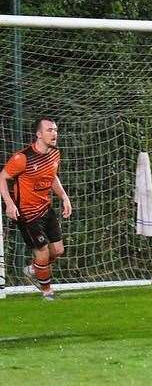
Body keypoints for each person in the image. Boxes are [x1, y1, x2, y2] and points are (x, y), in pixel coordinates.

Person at [0, 118, 72, 300]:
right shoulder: (22, 158)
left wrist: (64, 196)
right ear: (38, 134)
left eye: (55, 130)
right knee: (42, 251)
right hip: (27, 213)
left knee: (58, 251)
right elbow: (2, 177)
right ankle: (47, 292)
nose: (54, 133)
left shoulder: (55, 154)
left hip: (46, 209)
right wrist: (9, 203)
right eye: (49, 130)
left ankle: (33, 270)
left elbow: (52, 176)